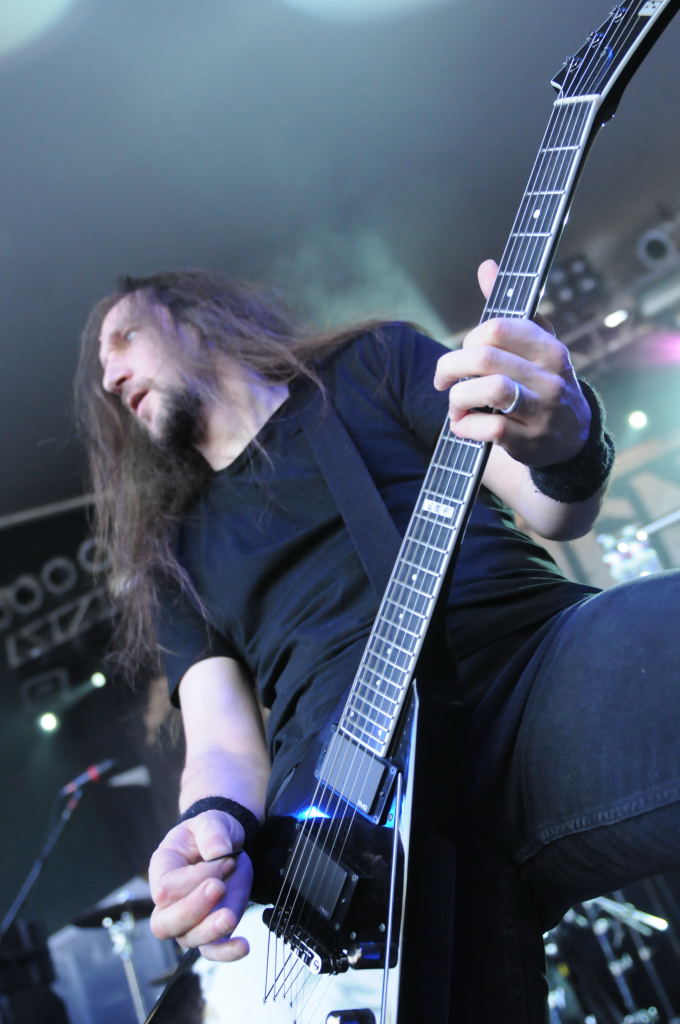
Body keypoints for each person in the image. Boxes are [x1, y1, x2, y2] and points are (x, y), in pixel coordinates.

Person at [77, 259, 680, 1022]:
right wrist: (210, 828)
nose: (110, 377)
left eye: (125, 339)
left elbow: (553, 507)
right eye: (103, 371)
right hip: (346, 831)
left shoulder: (373, 363)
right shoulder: (174, 552)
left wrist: (566, 437)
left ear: (195, 319)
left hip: (528, 675)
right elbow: (221, 743)